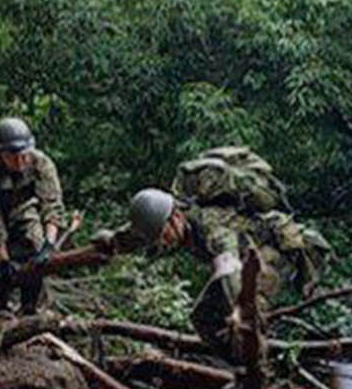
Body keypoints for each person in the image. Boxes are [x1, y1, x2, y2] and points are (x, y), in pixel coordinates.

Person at [91, 146, 329, 368]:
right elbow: (139, 234)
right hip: (246, 261)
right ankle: (239, 367)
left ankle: (261, 372)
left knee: (247, 316)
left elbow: (229, 268)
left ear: (175, 217)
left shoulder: (211, 228)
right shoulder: (169, 218)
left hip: (275, 253)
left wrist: (238, 310)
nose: (163, 242)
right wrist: (113, 240)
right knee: (203, 317)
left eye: (164, 234)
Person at [0, 117, 64, 314]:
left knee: (35, 247)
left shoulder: (41, 163)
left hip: (23, 212)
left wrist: (48, 246)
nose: (21, 161)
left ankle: (33, 307)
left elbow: (51, 205)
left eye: (24, 155)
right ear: (0, 154)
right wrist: (3, 261)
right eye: (13, 157)